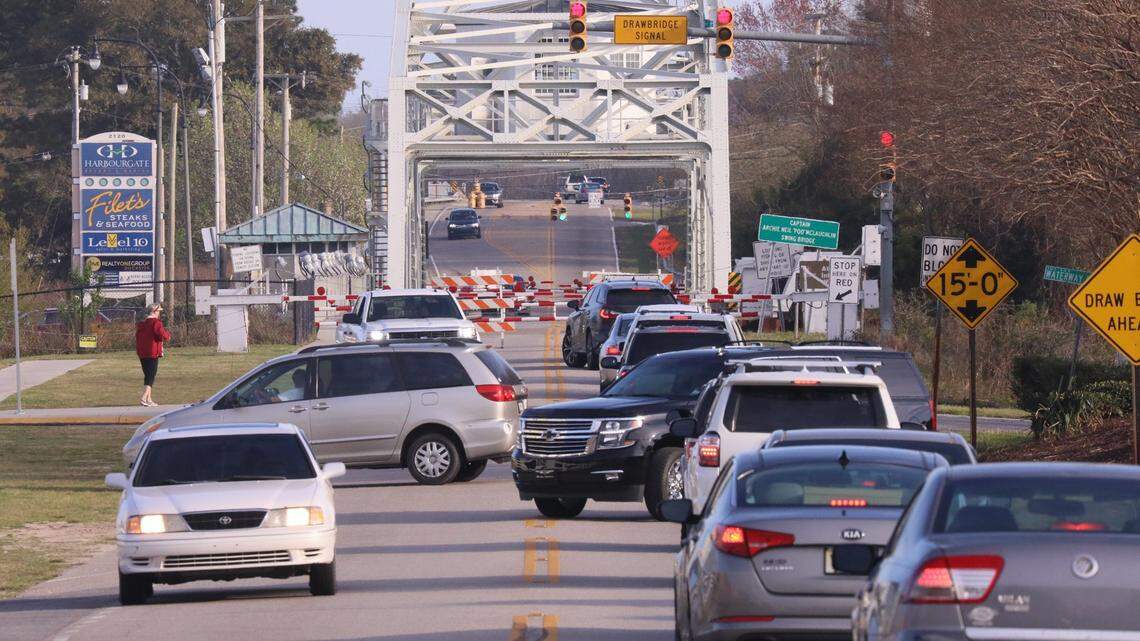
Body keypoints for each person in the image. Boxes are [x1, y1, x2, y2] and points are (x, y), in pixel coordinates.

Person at [135, 304, 171, 407]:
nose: (159, 313)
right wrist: (168, 336)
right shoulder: (156, 322)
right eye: (158, 311)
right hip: (152, 352)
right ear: (155, 312)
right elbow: (161, 333)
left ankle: (149, 399)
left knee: (147, 375)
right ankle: (143, 397)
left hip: (142, 353)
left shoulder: (142, 324)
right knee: (151, 376)